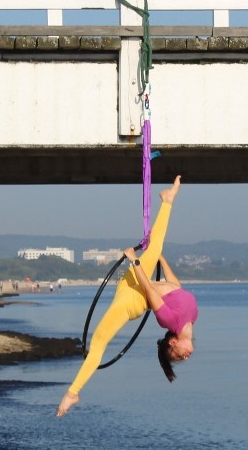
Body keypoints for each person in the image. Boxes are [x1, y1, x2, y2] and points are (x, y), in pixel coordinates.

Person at [56, 175, 198, 417]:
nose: (184, 357)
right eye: (181, 358)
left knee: (98, 343)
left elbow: (151, 292)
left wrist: (135, 262)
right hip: (136, 281)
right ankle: (167, 199)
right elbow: (175, 285)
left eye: (177, 356)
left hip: (130, 301)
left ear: (172, 343)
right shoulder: (192, 315)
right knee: (157, 245)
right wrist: (158, 258)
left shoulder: (169, 322)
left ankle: (72, 393)